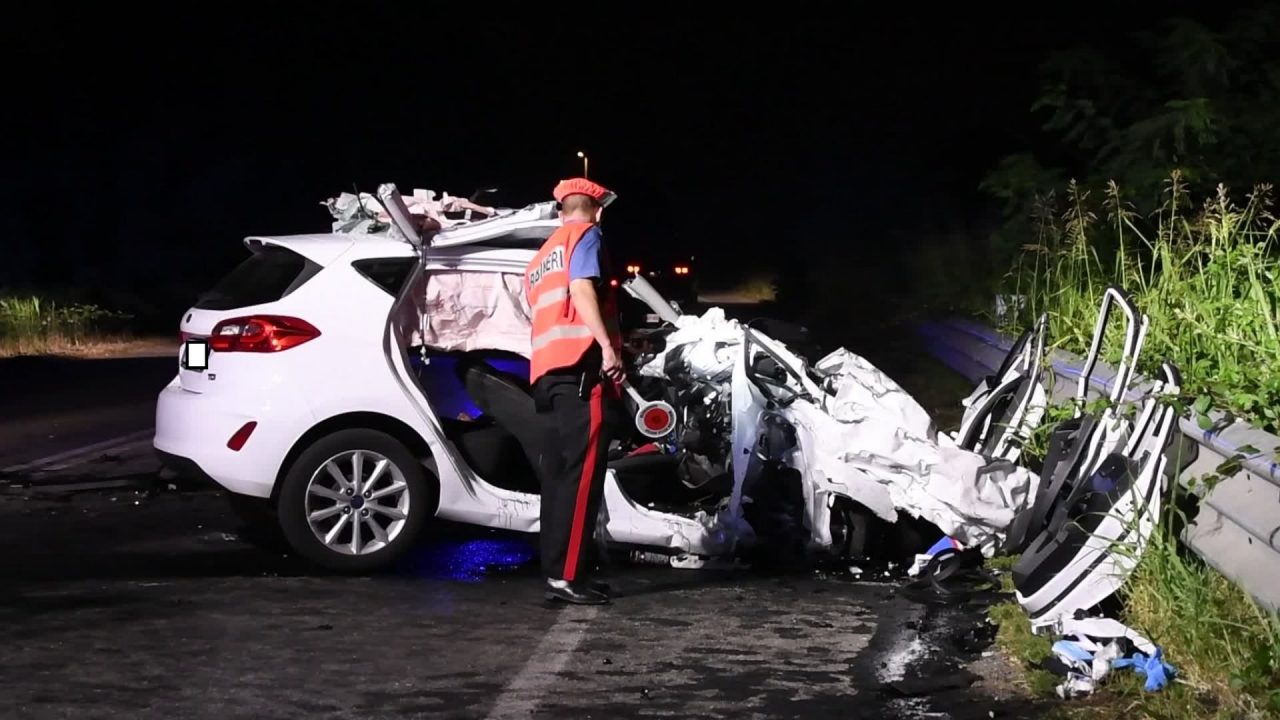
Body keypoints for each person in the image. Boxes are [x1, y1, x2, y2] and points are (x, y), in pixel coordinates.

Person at [524, 177, 625, 605]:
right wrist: (606, 346)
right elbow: (583, 288)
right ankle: (568, 577)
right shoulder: (587, 235)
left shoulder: (542, 256)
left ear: (561, 211)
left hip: (546, 375)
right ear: (596, 211)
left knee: (558, 477)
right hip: (581, 371)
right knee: (582, 477)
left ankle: (559, 572)